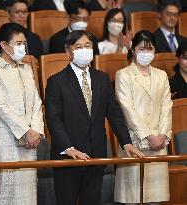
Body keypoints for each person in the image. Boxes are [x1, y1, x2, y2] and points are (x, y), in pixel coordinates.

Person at [45, 30, 144, 205]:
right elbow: (53, 119)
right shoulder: (56, 81)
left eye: (88, 46)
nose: (84, 50)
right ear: (68, 52)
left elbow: (114, 113)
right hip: (68, 158)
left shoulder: (102, 78)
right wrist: (69, 148)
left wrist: (126, 142)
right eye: (78, 47)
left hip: (96, 155)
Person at [0, 22, 44, 205]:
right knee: (7, 193)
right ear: (3, 45)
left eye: (24, 43)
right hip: (6, 139)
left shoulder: (26, 69)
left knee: (28, 193)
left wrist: (36, 132)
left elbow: (37, 103)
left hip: (30, 141)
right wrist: (26, 131)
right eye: (17, 43)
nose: (22, 47)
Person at [114, 30, 172, 204]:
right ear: (133, 50)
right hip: (134, 143)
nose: (146, 53)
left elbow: (167, 107)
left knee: (155, 198)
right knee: (134, 198)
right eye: (142, 48)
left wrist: (162, 135)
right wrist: (148, 136)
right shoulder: (123, 74)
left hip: (159, 145)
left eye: (150, 49)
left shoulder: (162, 75)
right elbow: (127, 109)